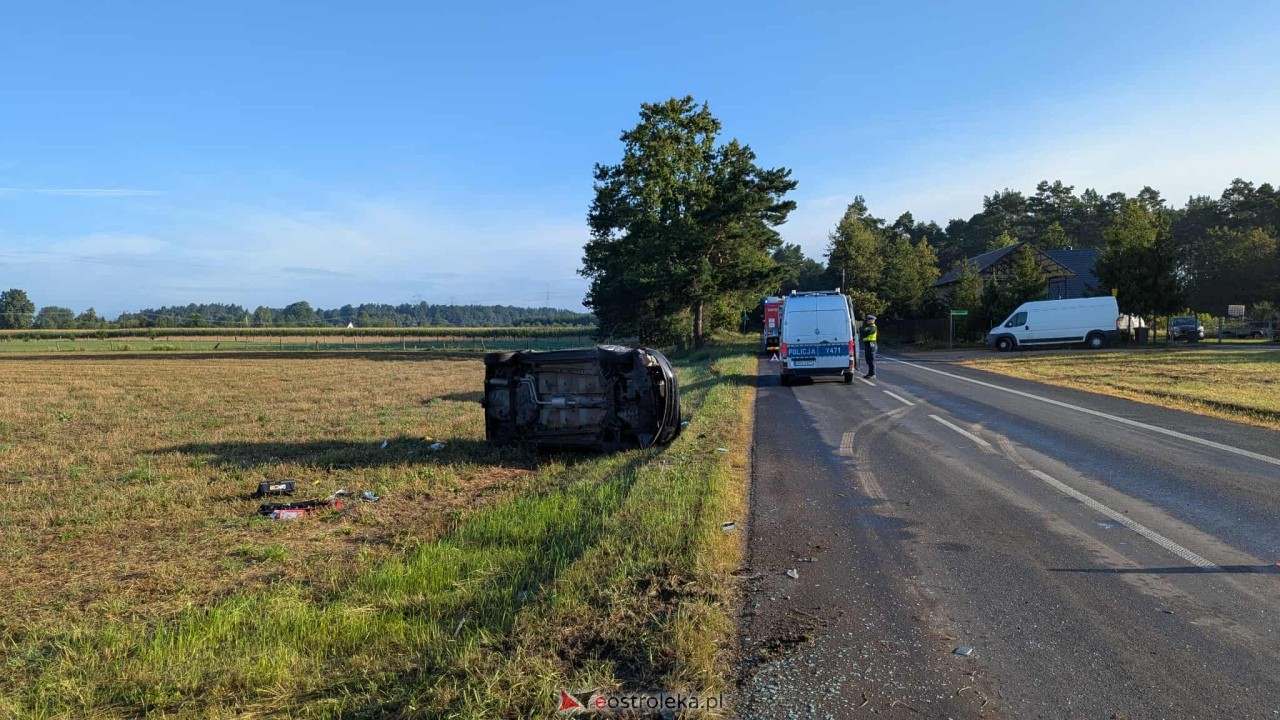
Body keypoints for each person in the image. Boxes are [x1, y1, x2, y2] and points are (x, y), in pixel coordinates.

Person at [860, 314, 878, 378]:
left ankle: (873, 374)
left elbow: (865, 334)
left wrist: (863, 332)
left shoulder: (873, 327)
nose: (867, 321)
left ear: (872, 320)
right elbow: (862, 332)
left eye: (868, 320)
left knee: (871, 359)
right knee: (868, 359)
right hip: (867, 344)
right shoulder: (867, 327)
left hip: (871, 344)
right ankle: (870, 373)